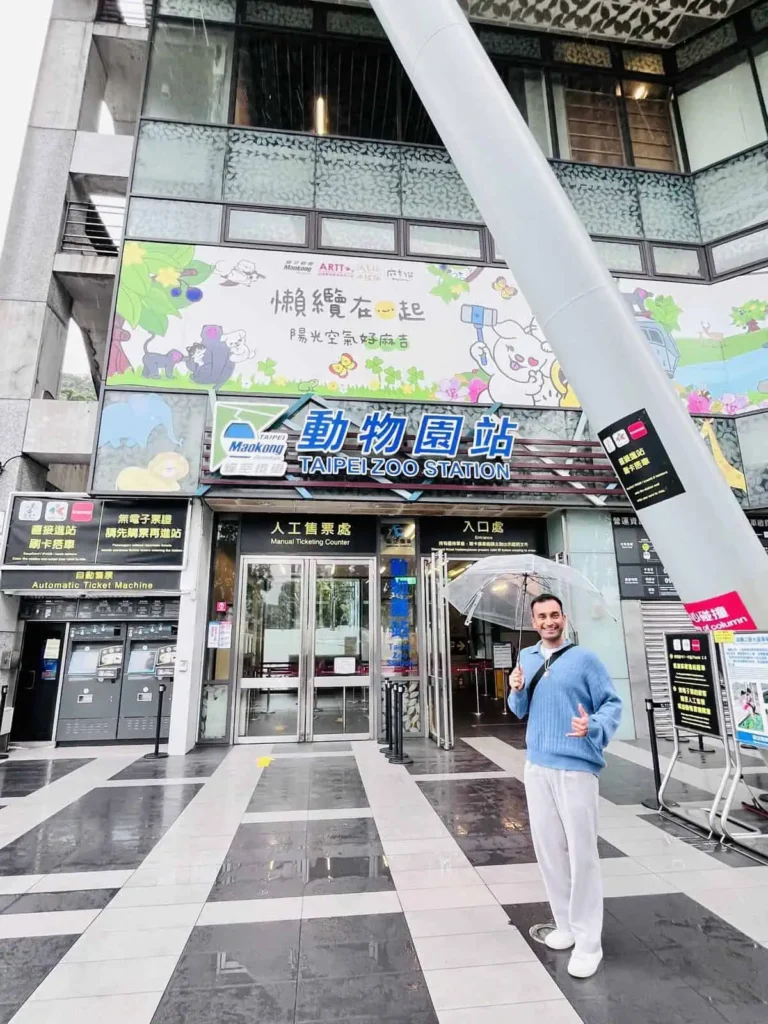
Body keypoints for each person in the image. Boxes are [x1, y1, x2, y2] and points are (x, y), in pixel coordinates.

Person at [508, 593, 622, 979]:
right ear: (533, 620)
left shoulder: (584, 659)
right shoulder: (526, 657)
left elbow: (611, 704)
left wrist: (592, 727)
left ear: (564, 618)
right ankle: (566, 925)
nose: (549, 621)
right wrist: (516, 687)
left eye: (554, 615)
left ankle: (590, 942)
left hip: (576, 768)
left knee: (582, 853)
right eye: (541, 616)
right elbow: (519, 710)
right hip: (537, 765)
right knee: (549, 851)